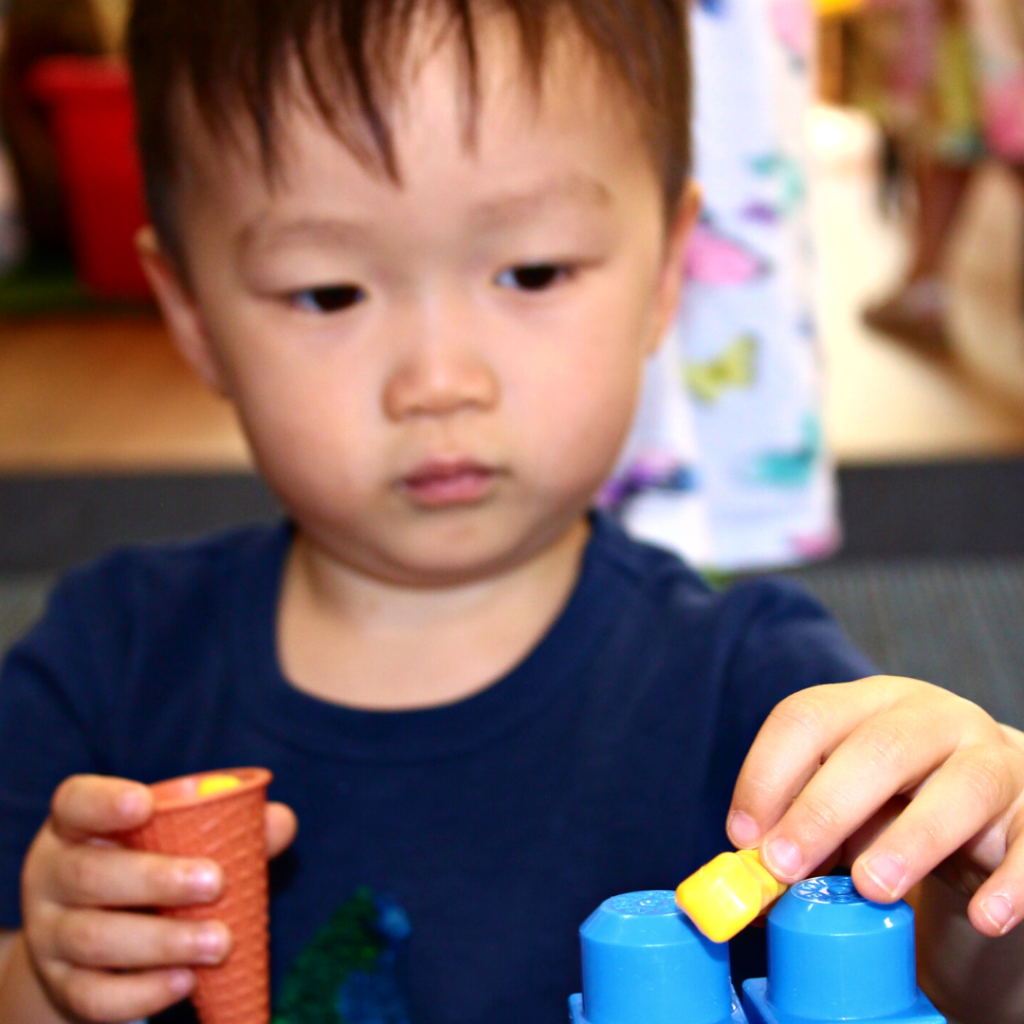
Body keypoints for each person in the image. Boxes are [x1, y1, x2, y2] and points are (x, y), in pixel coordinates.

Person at [0, 1, 1022, 1023]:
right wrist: (48, 979)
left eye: (531, 271)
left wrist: (987, 873)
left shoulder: (758, 693)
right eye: (326, 292)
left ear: (666, 273)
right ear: (190, 314)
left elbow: (950, 984)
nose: (439, 380)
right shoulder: (105, 668)